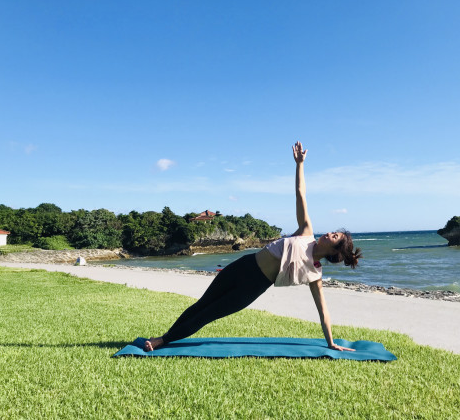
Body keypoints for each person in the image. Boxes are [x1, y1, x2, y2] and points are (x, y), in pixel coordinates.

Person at [144, 141, 362, 352]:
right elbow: (300, 194)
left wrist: (331, 342)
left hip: (253, 286)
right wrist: (299, 165)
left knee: (207, 315)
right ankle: (166, 336)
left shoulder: (315, 273)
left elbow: (322, 310)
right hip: (244, 265)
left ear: (336, 251)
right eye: (334, 232)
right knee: (201, 305)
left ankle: (162, 340)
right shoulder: (306, 233)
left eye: (334, 236)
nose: (329, 233)